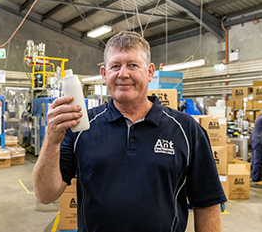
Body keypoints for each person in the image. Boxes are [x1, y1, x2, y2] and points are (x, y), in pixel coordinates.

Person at [33, 31, 226, 231]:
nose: (123, 74)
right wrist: (51, 141)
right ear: (104, 74)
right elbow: (45, 195)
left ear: (150, 72)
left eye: (133, 65)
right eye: (115, 66)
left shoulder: (186, 130)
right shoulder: (80, 126)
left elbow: (207, 202)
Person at [250, 112, 262, 185]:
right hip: (258, 141)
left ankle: (254, 176)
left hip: (256, 140)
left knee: (255, 159)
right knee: (258, 160)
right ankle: (256, 179)